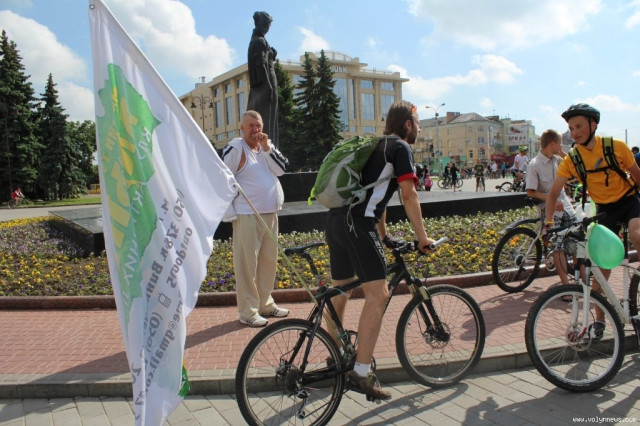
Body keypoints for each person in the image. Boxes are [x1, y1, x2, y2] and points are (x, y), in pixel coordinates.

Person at [325, 100, 435, 401]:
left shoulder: (375, 145)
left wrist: (383, 236)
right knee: (379, 295)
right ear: (408, 124)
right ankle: (361, 373)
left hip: (336, 222)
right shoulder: (401, 148)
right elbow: (409, 195)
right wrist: (422, 238)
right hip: (358, 226)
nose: (419, 128)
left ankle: (335, 356)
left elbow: (377, 195)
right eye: (418, 123)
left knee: (340, 292)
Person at [545, 104, 640, 335]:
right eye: (571, 128)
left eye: (579, 126)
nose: (574, 132)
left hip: (629, 201)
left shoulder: (615, 146)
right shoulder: (573, 159)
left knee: (637, 235)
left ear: (593, 124)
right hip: (605, 211)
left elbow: (637, 175)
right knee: (599, 270)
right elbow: (553, 193)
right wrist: (548, 224)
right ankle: (600, 321)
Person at [221, 110, 290, 327]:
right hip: (247, 214)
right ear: (242, 127)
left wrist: (268, 148)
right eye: (250, 125)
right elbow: (221, 176)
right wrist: (230, 207)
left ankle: (265, 304)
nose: (255, 130)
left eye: (258, 125)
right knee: (247, 266)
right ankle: (248, 312)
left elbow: (282, 169)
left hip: (270, 213)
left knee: (268, 263)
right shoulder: (236, 148)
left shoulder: (266, 148)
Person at [526, 130, 576, 298]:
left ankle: (581, 283)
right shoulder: (534, 165)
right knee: (558, 245)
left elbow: (575, 166)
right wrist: (551, 199)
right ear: (552, 144)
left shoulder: (558, 160)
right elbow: (531, 192)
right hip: (549, 209)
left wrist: (562, 153)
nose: (561, 146)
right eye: (559, 143)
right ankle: (566, 288)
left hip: (566, 206)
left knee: (578, 241)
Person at [247, 11, 278, 143]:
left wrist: (271, 54)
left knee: (267, 118)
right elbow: (261, 65)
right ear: (260, 24)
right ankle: (268, 147)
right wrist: (268, 86)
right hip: (266, 82)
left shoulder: (256, 40)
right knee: (268, 119)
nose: (268, 28)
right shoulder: (260, 41)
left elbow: (263, 61)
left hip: (262, 84)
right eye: (267, 25)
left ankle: (268, 147)